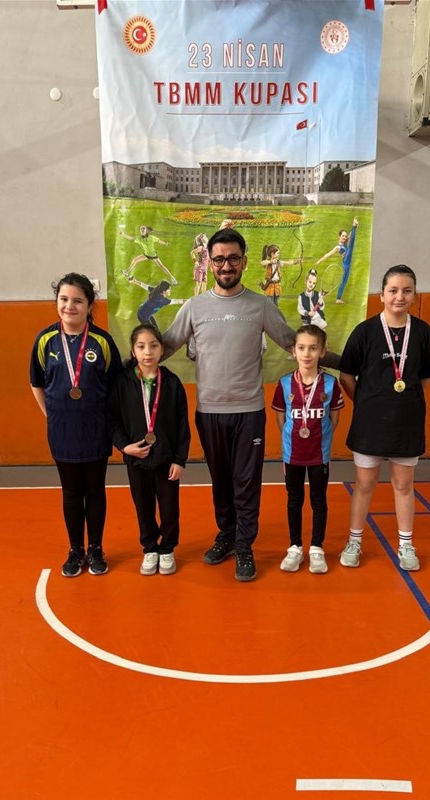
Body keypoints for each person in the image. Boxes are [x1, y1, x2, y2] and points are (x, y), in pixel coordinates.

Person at [162, 227, 320, 582]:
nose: (226, 265)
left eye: (233, 258)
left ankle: (245, 545)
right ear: (209, 262)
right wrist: (126, 366)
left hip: (248, 411)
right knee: (221, 481)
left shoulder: (260, 305)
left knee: (245, 482)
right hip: (209, 412)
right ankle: (227, 535)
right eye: (219, 259)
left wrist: (341, 360)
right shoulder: (194, 307)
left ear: (244, 262)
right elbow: (166, 345)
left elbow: (293, 342)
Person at [338, 264, 430, 571]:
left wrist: (404, 399)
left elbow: (426, 376)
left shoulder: (422, 331)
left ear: (415, 295)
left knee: (403, 485)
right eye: (393, 290)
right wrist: (365, 402)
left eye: (407, 291)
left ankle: (406, 544)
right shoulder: (365, 331)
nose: (400, 296)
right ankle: (354, 541)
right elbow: (346, 375)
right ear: (381, 295)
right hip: (369, 423)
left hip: (407, 422)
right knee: (364, 484)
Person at [30, 273, 122, 578]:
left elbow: (114, 387)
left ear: (90, 305)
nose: (69, 306)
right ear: (57, 301)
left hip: (95, 430)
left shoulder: (102, 341)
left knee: (95, 490)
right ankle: (75, 549)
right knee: (70, 492)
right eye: (64, 299)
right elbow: (36, 383)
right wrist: (51, 415)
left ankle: (95, 548)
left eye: (78, 301)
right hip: (61, 431)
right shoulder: (45, 340)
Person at [107, 324, 190, 576]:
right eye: (141, 346)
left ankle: (168, 548)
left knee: (169, 509)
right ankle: (150, 548)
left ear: (162, 349)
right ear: (133, 350)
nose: (148, 352)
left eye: (153, 346)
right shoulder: (122, 383)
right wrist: (124, 447)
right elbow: (112, 420)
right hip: (137, 460)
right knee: (143, 507)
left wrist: (180, 460)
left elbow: (182, 425)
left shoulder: (172, 382)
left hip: (166, 460)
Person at [272, 325, 344, 574]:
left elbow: (334, 418)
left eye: (313, 348)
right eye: (301, 348)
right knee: (294, 499)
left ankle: (316, 548)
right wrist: (290, 437)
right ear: (293, 351)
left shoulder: (331, 384)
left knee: (318, 499)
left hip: (319, 454)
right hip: (292, 453)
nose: (307, 353)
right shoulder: (284, 384)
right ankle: (295, 546)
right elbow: (281, 419)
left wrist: (322, 438)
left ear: (323, 351)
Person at [315, 216, 359, 304]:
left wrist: (356, 226)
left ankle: (338, 299)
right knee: (351, 245)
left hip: (348, 264)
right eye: (343, 236)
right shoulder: (338, 247)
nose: (344, 237)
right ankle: (353, 225)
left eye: (345, 236)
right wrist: (320, 261)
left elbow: (351, 235)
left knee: (344, 282)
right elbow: (328, 254)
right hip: (346, 263)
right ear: (339, 236)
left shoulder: (345, 242)